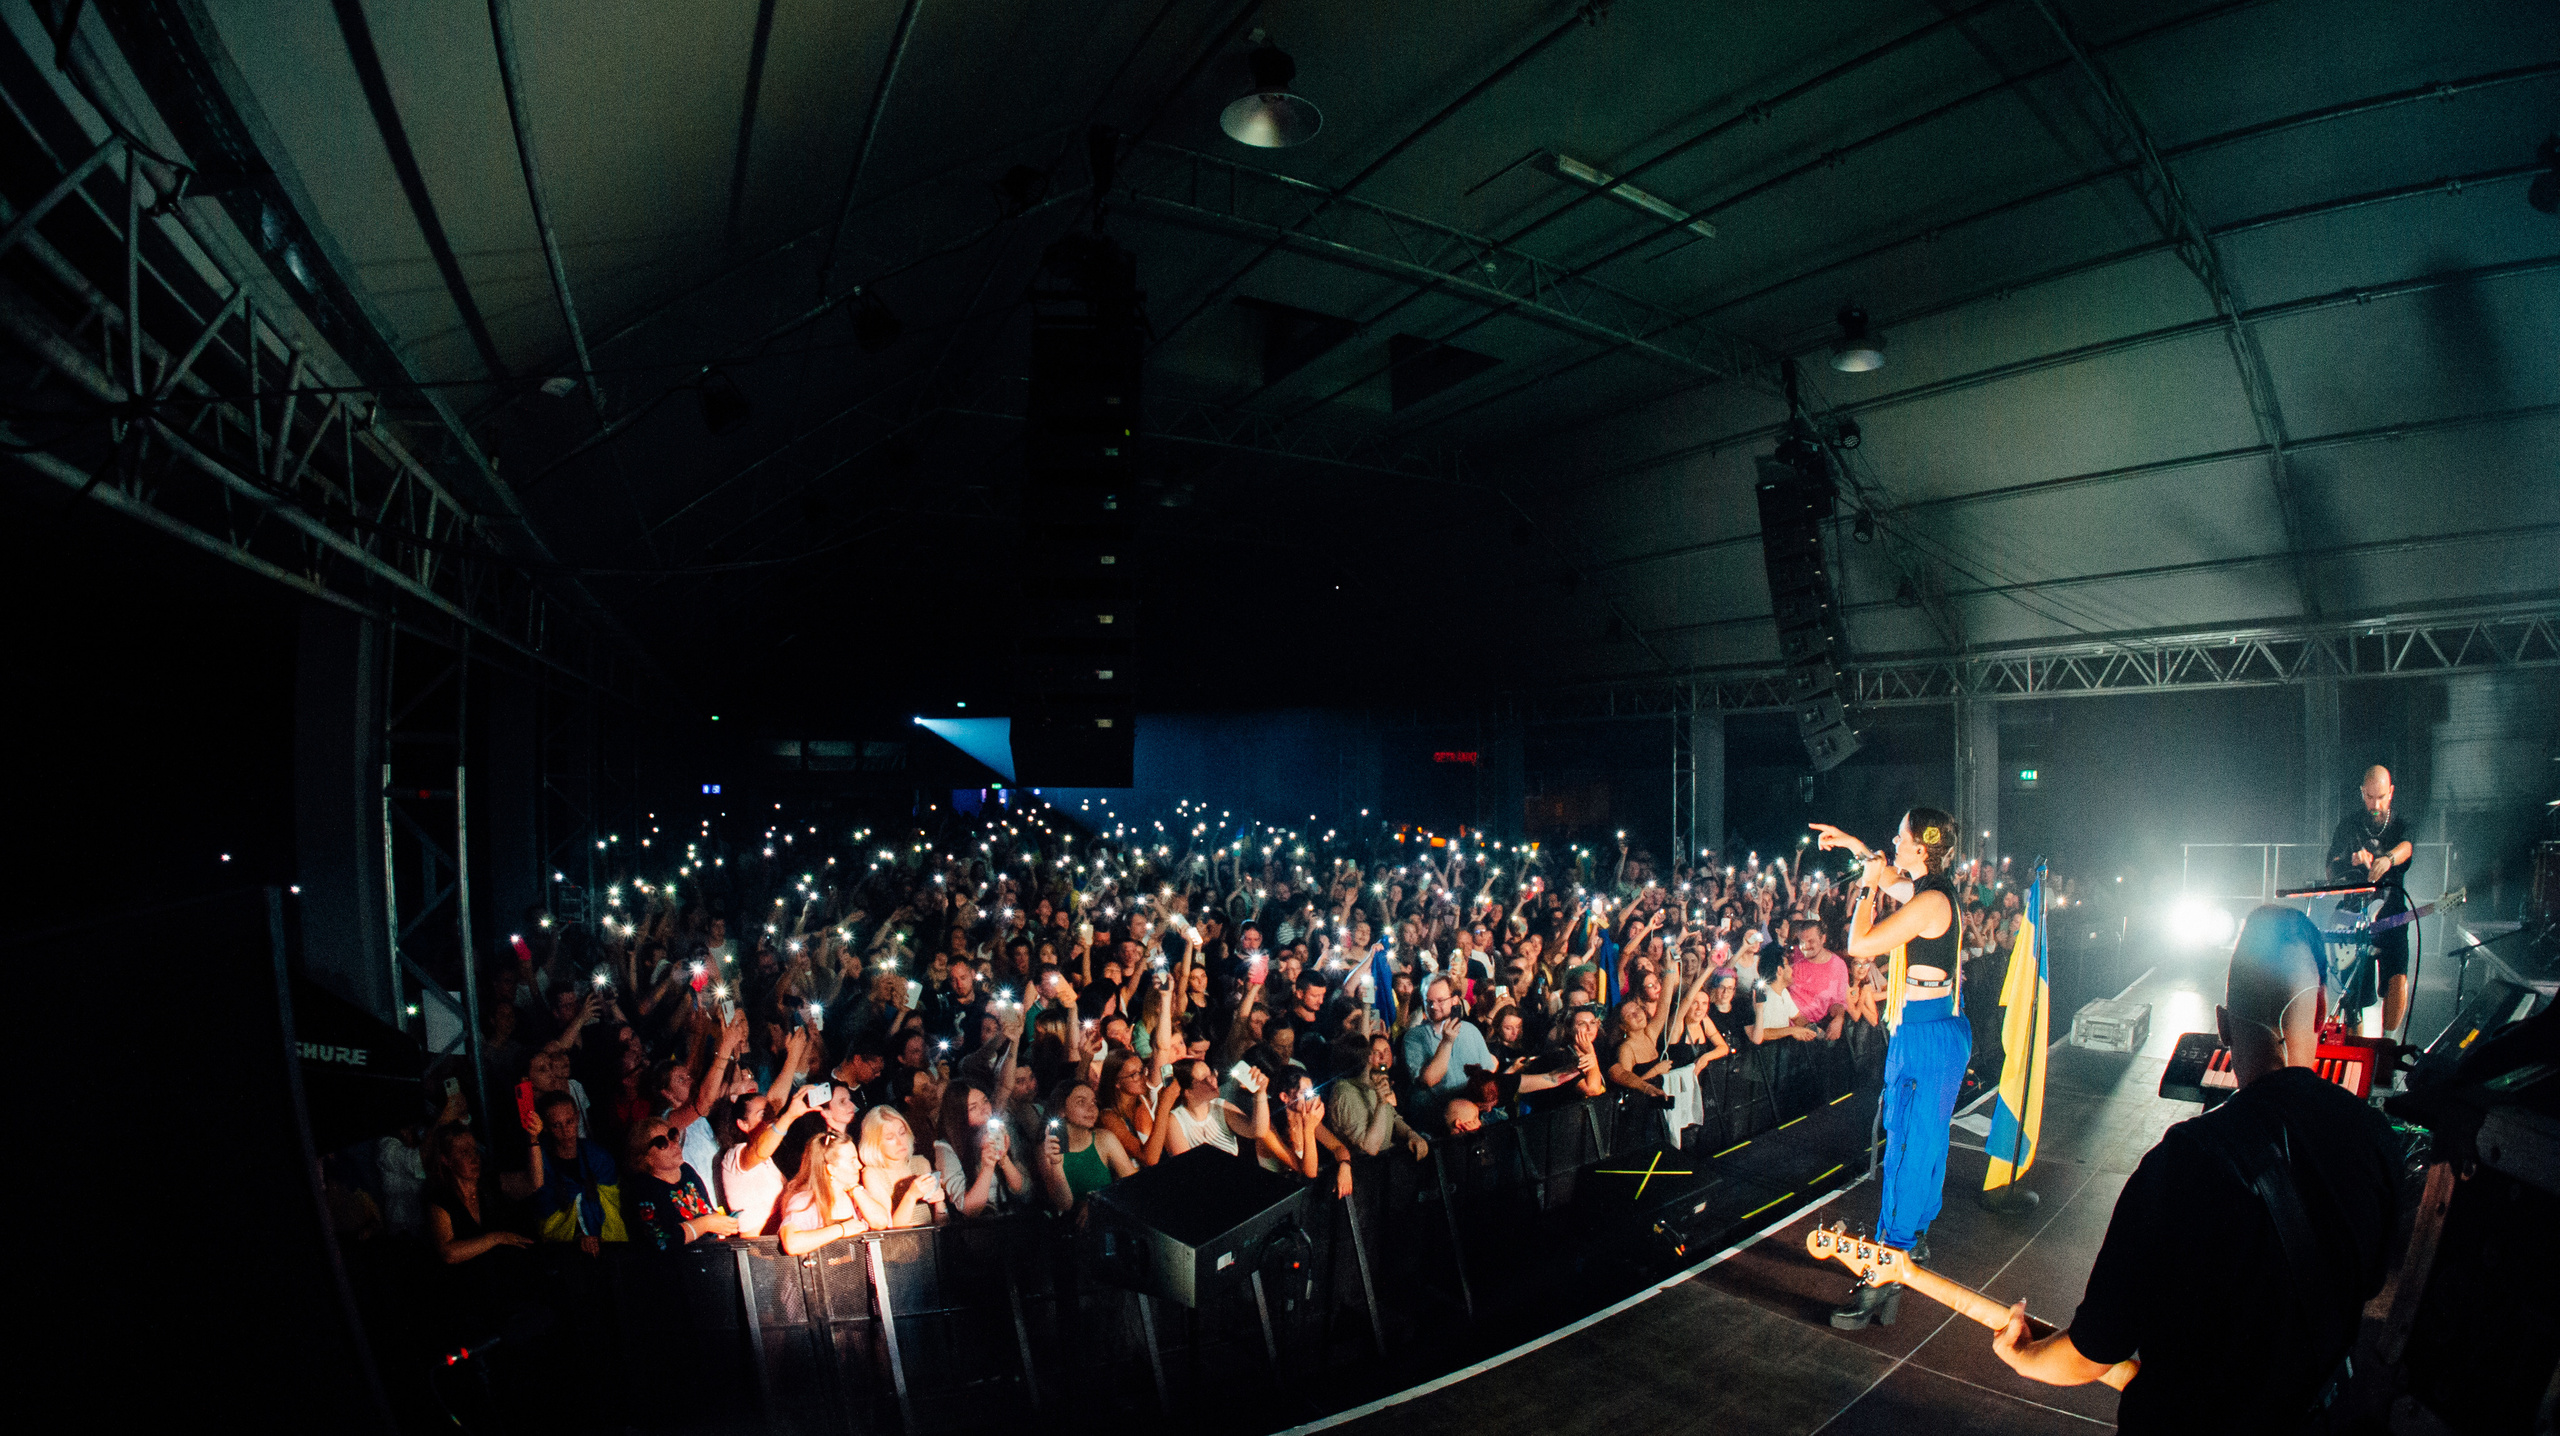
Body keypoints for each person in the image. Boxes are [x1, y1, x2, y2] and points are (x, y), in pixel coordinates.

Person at [1992, 906, 2400, 1432]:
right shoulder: (2376, 1140)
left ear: (2223, 1026)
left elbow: (2091, 1353)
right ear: (2321, 1010)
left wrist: (2022, 1355)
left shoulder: (2179, 1165)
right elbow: (2371, 1289)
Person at [1810, 808, 1964, 1329]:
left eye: (1899, 837)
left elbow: (1860, 945)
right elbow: (1891, 873)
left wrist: (1867, 892)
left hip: (1923, 1037)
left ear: (1921, 847)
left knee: (1904, 1148)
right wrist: (1856, 844)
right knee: (1924, 1142)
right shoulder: (1934, 890)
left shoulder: (1929, 903)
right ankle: (1912, 1241)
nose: (1891, 843)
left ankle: (1885, 1268)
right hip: (1934, 1029)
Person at [2325, 764, 2417, 1036]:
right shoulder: (2348, 826)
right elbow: (2331, 868)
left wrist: (2387, 859)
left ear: (2391, 793)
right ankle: (2357, 1060)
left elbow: (2407, 847)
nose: (2375, 804)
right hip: (2355, 919)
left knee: (2397, 981)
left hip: (2392, 916)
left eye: (2381, 797)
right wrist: (2352, 859)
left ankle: (2387, 1049)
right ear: (2362, 793)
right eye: (2369, 797)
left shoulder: (2401, 824)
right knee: (2354, 1002)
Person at [504, 1090, 627, 1249]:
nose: (565, 1131)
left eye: (569, 1122)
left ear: (577, 1117)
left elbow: (612, 1205)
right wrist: (577, 1237)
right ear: (546, 1127)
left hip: (608, 1244)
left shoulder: (598, 1157)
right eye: (556, 1125)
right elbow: (547, 1218)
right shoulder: (542, 1166)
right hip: (563, 1251)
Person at [622, 1115, 741, 1251]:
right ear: (646, 1158)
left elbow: (706, 1210)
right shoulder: (642, 1188)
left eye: (672, 1136)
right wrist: (706, 1224)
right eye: (662, 1143)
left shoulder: (686, 1170)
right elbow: (662, 1241)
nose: (673, 1144)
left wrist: (721, 1224)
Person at [1399, 976, 1493, 1127]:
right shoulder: (1414, 1037)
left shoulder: (1471, 1031)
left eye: (1440, 1000)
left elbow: (1488, 1071)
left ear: (1454, 1000)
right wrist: (1447, 1042)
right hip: (1436, 1120)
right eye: (1429, 1002)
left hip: (1473, 1116)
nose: (1434, 1007)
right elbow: (1429, 1080)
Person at [1036, 1077, 1138, 1211]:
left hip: (1106, 1214)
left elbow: (1133, 1183)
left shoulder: (1104, 1139)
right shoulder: (1049, 1146)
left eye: (1093, 1102)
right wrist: (1055, 1163)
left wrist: (1095, 1202)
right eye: (1081, 1102)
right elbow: (1064, 1204)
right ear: (1062, 1110)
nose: (1091, 1108)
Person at [933, 1080, 1031, 1216]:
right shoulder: (946, 1147)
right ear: (959, 1115)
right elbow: (969, 1209)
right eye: (973, 1107)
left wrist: (1004, 1159)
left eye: (985, 1101)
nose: (984, 1109)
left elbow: (1023, 1188)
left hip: (1011, 1218)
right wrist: (987, 1166)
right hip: (978, 1228)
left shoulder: (999, 1131)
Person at [775, 1132, 874, 1256]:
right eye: (852, 1161)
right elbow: (792, 1244)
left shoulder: (857, 1195)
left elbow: (880, 1222)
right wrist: (842, 1230)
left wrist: (856, 1190)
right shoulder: (804, 1201)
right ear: (831, 1169)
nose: (859, 1166)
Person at [855, 1107, 946, 1228]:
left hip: (931, 1241)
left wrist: (939, 1202)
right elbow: (891, 1229)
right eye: (890, 1137)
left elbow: (943, 1225)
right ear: (874, 1143)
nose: (900, 1141)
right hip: (900, 1243)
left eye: (902, 1133)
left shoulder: (921, 1163)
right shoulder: (873, 1174)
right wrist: (911, 1196)